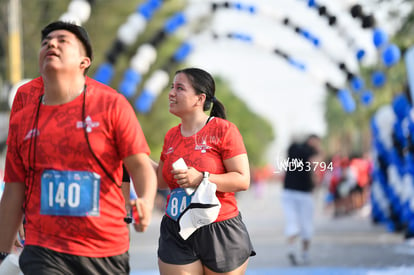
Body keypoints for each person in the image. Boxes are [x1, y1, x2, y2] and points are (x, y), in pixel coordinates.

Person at [0, 21, 157, 274]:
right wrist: (4, 247)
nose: (52, 43)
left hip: (104, 248)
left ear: (84, 62)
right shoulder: (24, 108)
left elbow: (138, 165)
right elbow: (14, 187)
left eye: (63, 40)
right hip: (43, 245)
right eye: (46, 42)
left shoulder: (111, 103)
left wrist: (146, 201)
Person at [156, 67, 256, 274]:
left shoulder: (223, 130)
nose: (171, 93)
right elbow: (162, 180)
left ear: (199, 99)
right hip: (176, 229)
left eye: (180, 88)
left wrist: (202, 178)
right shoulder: (171, 136)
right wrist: (133, 156)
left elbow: (242, 180)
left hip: (219, 230)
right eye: (172, 87)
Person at [282, 134, 322, 266]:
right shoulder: (312, 152)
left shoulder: (292, 148)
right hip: (304, 192)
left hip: (288, 191)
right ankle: (305, 253)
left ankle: (292, 248)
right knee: (306, 224)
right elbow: (316, 168)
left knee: (292, 222)